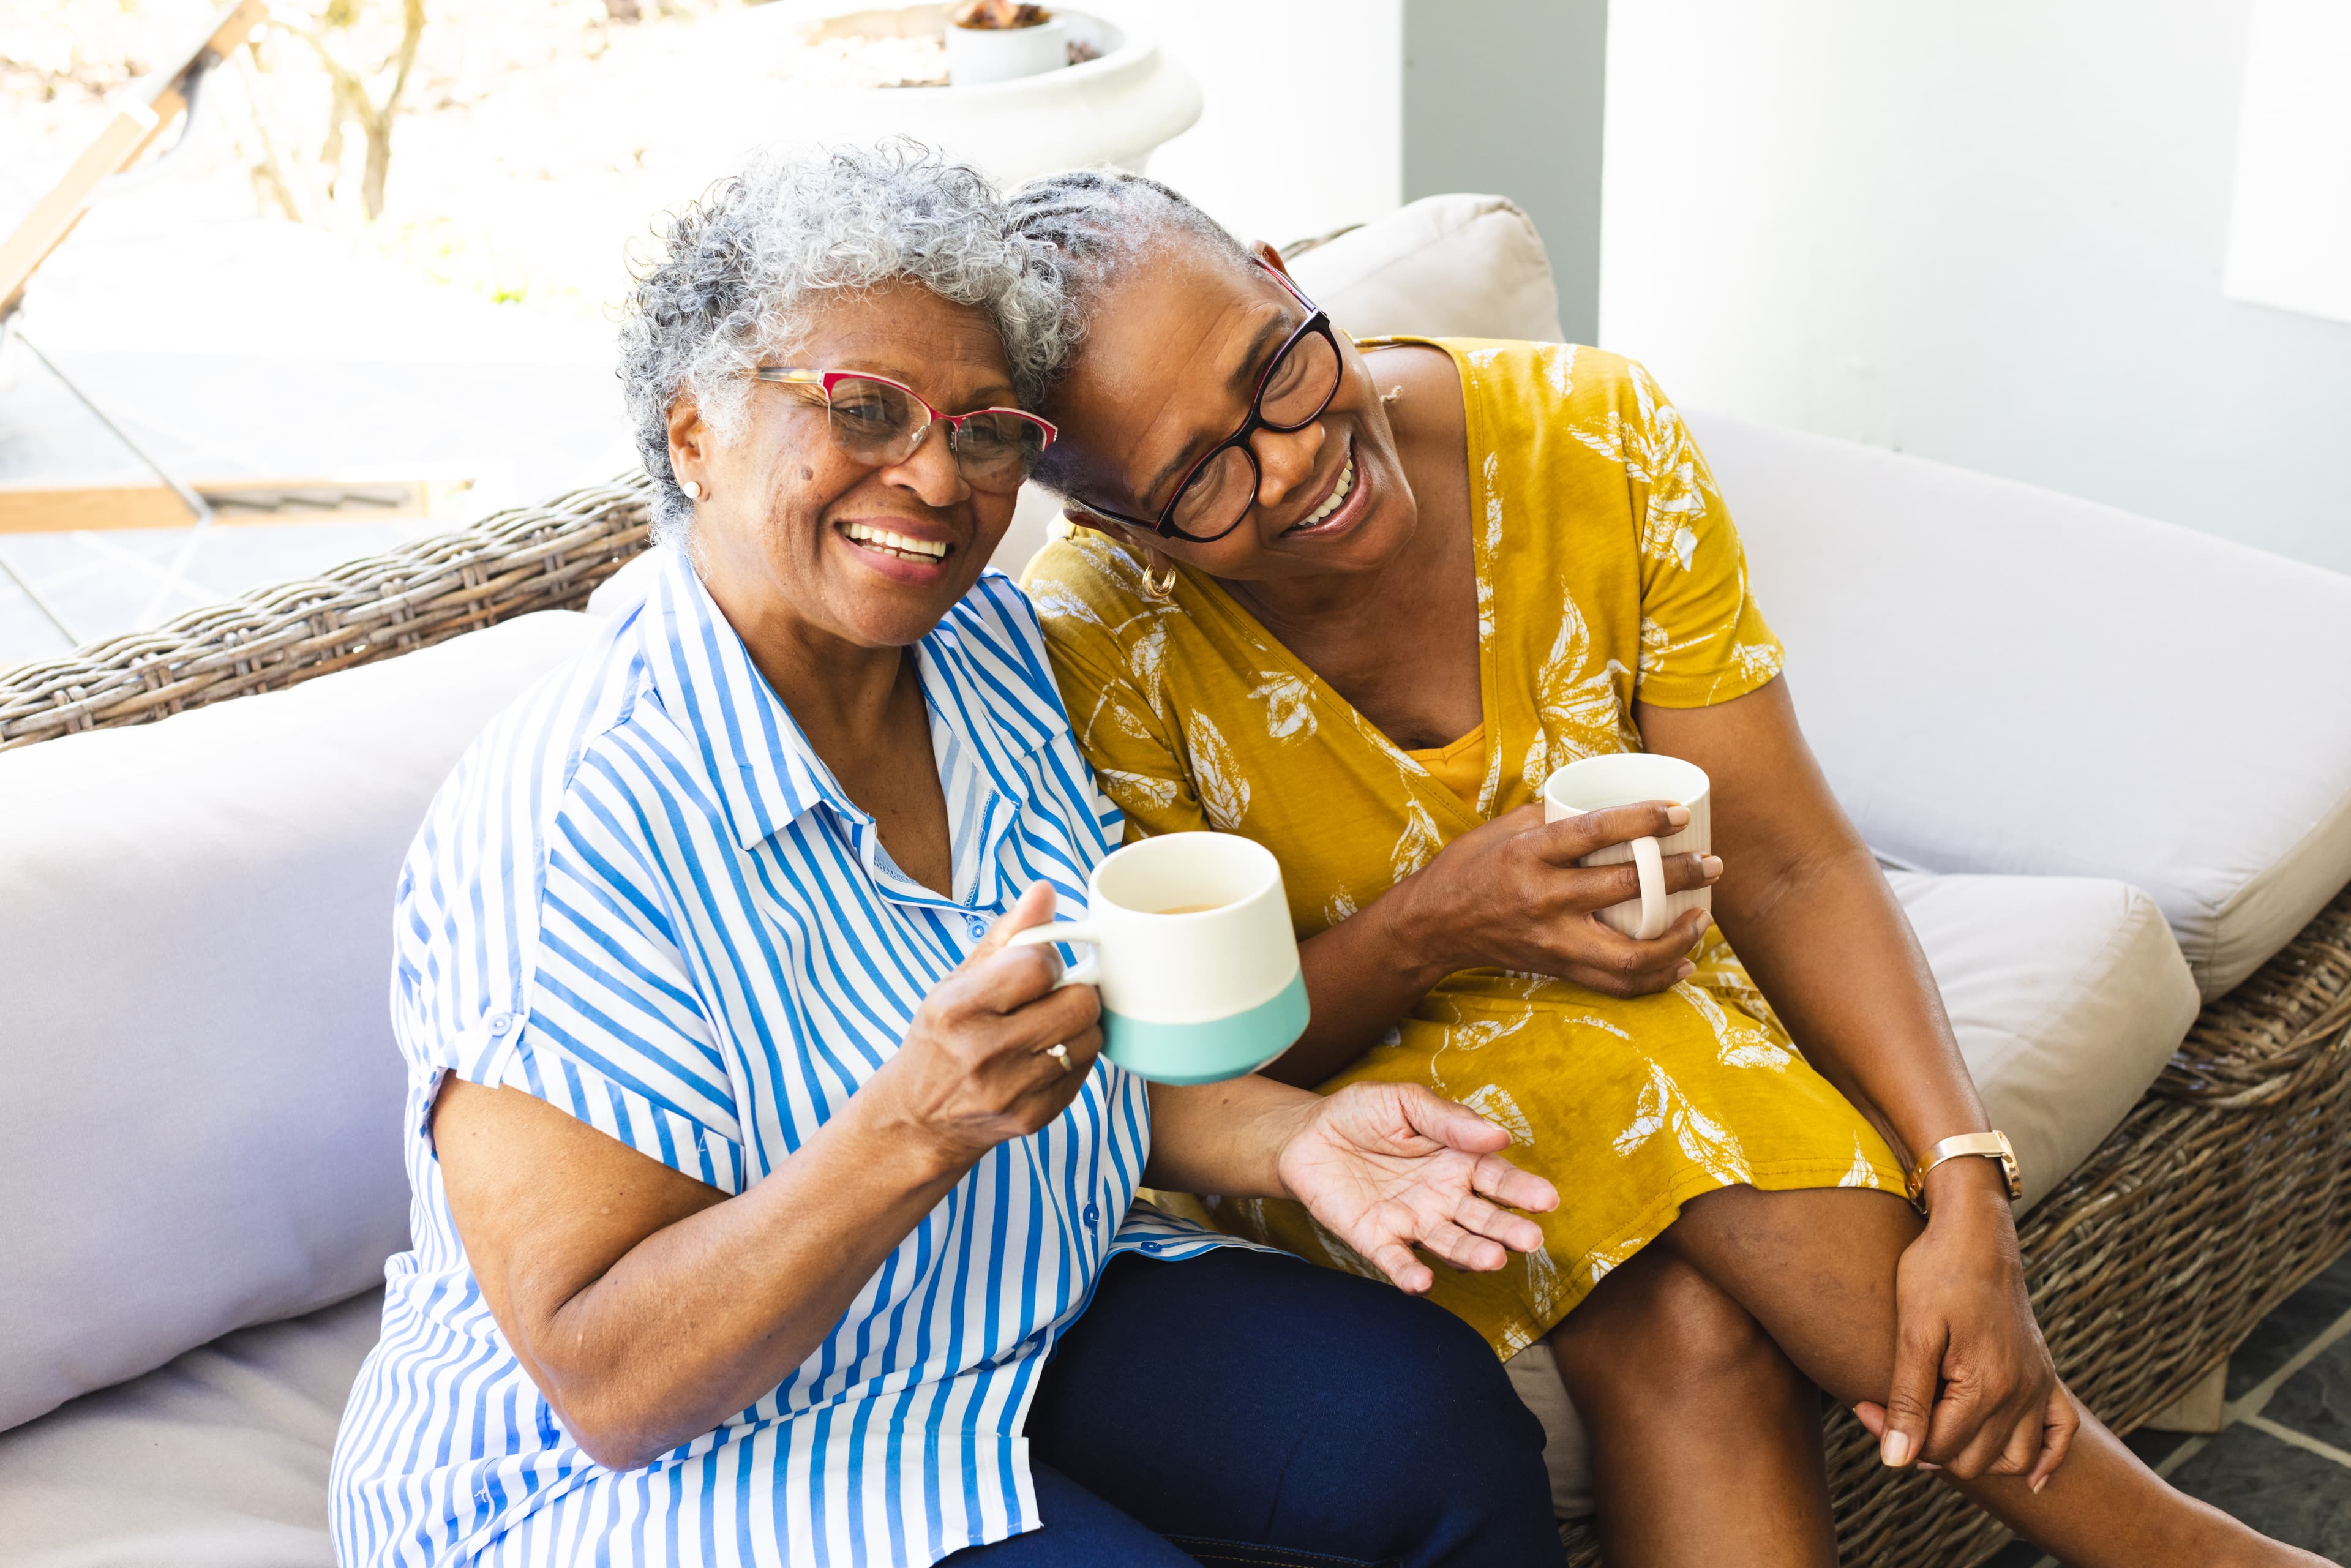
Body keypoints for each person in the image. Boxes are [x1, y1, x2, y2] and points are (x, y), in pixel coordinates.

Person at [1008, 168, 2324, 1568]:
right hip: (1372, 1114)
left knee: (1687, 1319)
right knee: (1626, 1084)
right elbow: (1201, 1069)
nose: (1291, 463)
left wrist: (1967, 1188)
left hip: (1671, 1021)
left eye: (1277, 366)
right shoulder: (1094, 639)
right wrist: (1439, 923)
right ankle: (2179, 1550)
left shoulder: (1595, 434)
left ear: (1283, 276)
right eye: (1199, 479)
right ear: (1117, 526)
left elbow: (1792, 862)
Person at [328, 144, 1571, 1568]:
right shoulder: (570, 825)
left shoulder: (981, 648)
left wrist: (1296, 1137)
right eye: (865, 409)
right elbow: (611, 1383)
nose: (935, 476)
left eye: (985, 430)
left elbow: (1084, 1062)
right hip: (649, 1476)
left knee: (1432, 1427)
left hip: (991, 1312)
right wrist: (905, 1131)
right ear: (694, 435)